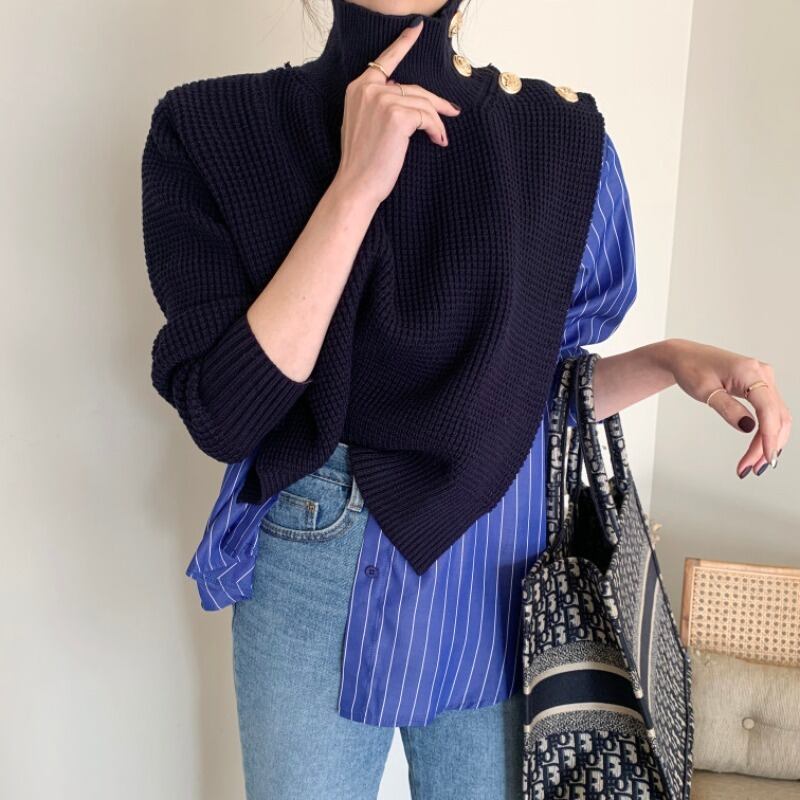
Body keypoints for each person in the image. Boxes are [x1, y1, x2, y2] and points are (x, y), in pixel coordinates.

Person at [140, 0, 791, 797]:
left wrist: (669, 361)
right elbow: (227, 414)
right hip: (317, 560)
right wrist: (354, 188)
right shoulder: (211, 128)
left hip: (504, 572)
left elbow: (527, 400)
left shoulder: (559, 137)